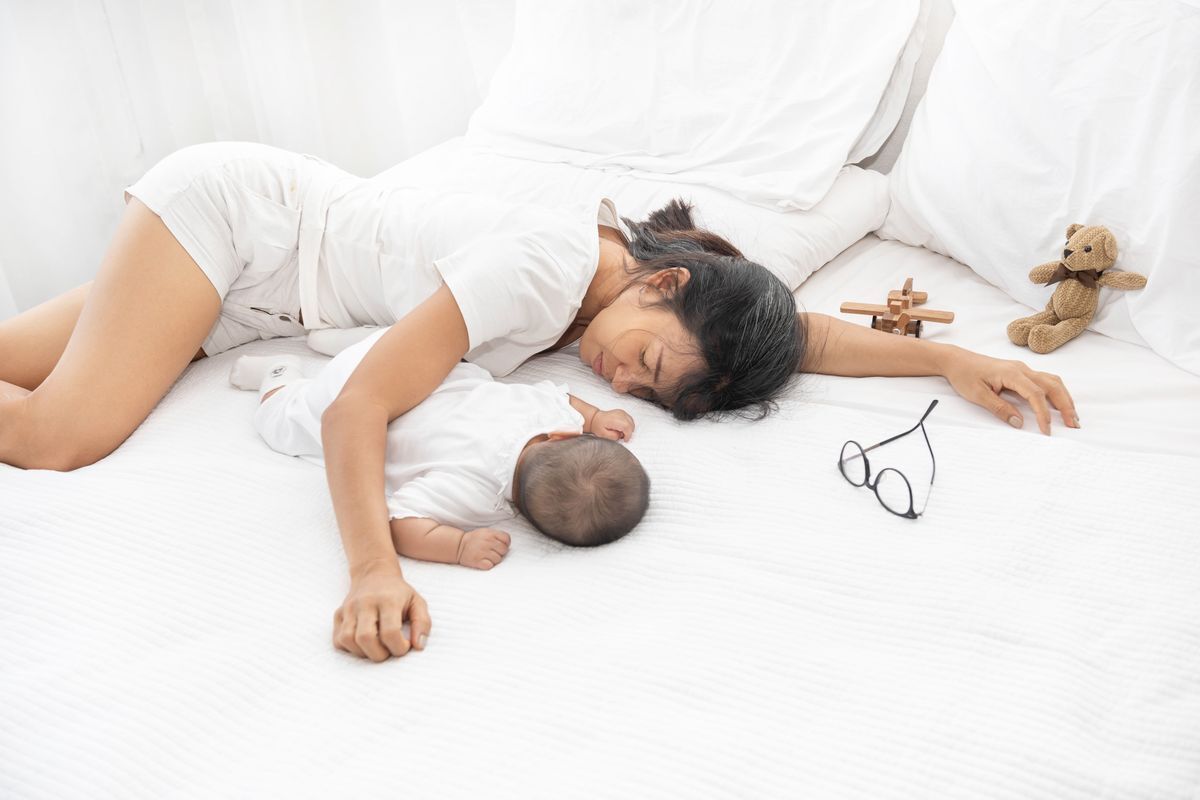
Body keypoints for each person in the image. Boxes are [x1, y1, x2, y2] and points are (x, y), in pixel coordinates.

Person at [0, 141, 1078, 662]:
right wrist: (374, 565)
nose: (621, 383)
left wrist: (947, 361)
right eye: (648, 367)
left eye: (649, 392)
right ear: (664, 281)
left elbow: (796, 334)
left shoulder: (635, 285)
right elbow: (356, 407)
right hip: (246, 235)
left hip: (261, 295)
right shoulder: (545, 268)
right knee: (57, 436)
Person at [232, 328, 649, 574]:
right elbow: (402, 524)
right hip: (338, 397)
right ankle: (278, 376)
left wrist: (594, 417)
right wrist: (457, 547)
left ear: (561, 437)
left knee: (423, 347)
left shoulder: (545, 416)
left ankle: (337, 338)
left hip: (394, 352)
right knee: (281, 424)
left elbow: (564, 396)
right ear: (526, 516)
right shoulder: (472, 496)